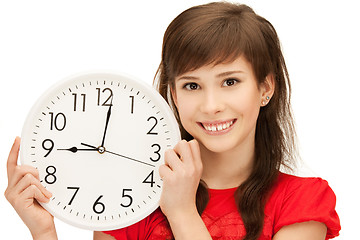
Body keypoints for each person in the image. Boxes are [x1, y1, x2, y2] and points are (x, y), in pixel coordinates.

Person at [5, 2, 341, 240]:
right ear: (174, 96)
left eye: (230, 81)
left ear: (265, 87)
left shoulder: (303, 202)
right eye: (192, 85)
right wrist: (44, 232)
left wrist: (181, 212)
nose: (211, 106)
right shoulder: (128, 202)